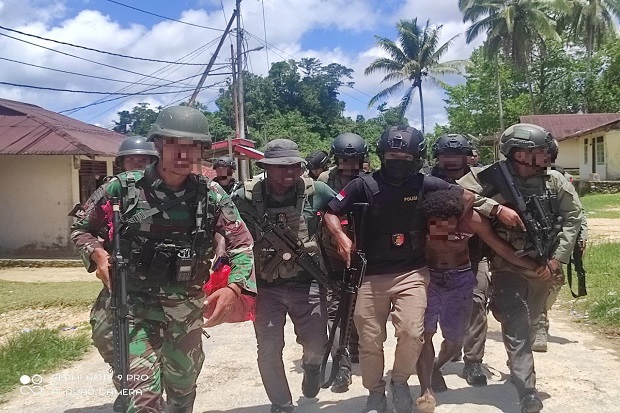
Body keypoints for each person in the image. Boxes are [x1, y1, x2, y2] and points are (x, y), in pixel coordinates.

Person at [71, 105, 256, 413]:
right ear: (157, 144)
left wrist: (234, 286)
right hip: (132, 308)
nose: (183, 154)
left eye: (192, 147)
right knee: (143, 399)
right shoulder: (122, 189)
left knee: (182, 393)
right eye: (175, 145)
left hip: (185, 312)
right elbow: (81, 229)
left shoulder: (211, 195)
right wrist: (97, 252)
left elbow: (242, 245)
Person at [323, 125, 474, 413]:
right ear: (381, 154)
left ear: (416, 157)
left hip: (412, 272)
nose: (397, 160)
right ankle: (375, 391)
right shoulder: (362, 185)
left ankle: (401, 382)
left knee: (412, 332)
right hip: (369, 274)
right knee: (369, 340)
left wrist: (442, 229)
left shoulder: (425, 183)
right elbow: (331, 212)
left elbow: (466, 197)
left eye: (404, 156)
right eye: (392, 154)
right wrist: (341, 237)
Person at [457, 123, 582, 413]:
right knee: (517, 323)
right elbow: (456, 193)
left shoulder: (555, 182)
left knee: (531, 319)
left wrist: (556, 260)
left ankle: (516, 361)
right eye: (537, 152)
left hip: (544, 266)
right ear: (518, 155)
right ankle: (527, 390)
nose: (545, 157)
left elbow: (574, 217)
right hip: (507, 264)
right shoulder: (488, 176)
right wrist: (496, 208)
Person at [415, 189, 549, 413]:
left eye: (448, 223)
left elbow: (500, 247)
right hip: (430, 277)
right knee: (425, 333)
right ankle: (426, 390)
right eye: (436, 223)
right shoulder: (421, 222)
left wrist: (534, 266)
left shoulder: (472, 220)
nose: (442, 229)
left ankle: (436, 367)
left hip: (459, 279)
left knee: (455, 340)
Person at [232, 139, 336, 413]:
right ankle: (281, 403)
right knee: (268, 348)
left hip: (308, 283)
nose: (289, 173)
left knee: (316, 346)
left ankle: (312, 369)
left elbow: (345, 210)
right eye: (281, 167)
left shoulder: (318, 191)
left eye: (294, 166)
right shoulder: (244, 196)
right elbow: (226, 228)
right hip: (267, 289)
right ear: (265, 167)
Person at [429, 134, 491, 387]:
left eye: (458, 155)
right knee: (428, 315)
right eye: (446, 155)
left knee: (477, 302)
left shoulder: (484, 179)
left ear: (468, 156)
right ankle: (432, 365)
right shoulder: (426, 179)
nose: (452, 161)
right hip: (433, 258)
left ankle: (473, 361)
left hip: (475, 253)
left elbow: (498, 204)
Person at [318, 132, 368, 392]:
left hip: (364, 254)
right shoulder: (325, 181)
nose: (349, 166)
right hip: (333, 254)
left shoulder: (370, 181)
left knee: (360, 308)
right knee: (337, 310)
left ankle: (357, 346)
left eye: (354, 160)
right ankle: (342, 367)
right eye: (343, 160)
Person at [530, 139, 588, 352]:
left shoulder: (560, 178)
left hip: (553, 238)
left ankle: (540, 322)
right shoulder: (518, 177)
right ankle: (532, 323)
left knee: (554, 281)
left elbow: (576, 211)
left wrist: (582, 235)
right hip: (524, 238)